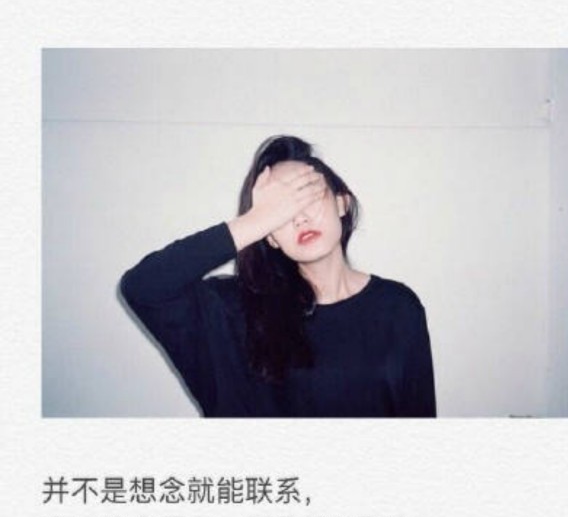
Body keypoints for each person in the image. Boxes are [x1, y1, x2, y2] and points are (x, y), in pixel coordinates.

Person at [120, 135, 436, 417]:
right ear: (269, 235)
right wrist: (257, 220)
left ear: (342, 203)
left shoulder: (397, 307)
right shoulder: (232, 311)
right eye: (281, 209)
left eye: (307, 196)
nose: (299, 217)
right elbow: (144, 286)